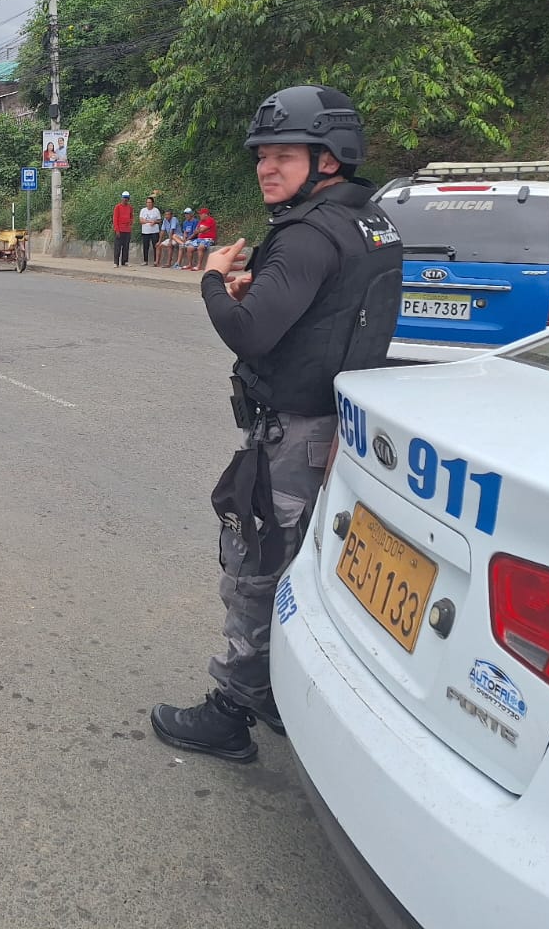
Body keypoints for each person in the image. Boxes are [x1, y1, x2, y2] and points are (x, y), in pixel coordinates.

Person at [150, 85, 403, 764]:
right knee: (303, 567)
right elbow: (325, 311)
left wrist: (210, 278)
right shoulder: (371, 224)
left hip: (293, 435)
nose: (266, 168)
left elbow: (252, 332)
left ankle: (233, 710)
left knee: (255, 570)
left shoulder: (306, 234)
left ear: (330, 159)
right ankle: (281, 690)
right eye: (262, 156)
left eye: (284, 156)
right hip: (339, 428)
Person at [111, 191, 133, 267]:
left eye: (127, 198)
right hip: (119, 230)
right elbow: (115, 219)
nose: (125, 199)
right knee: (117, 247)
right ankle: (116, 262)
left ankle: (124, 261)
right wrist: (117, 230)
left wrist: (130, 223)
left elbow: (131, 217)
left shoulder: (130, 207)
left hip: (127, 230)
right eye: (124, 198)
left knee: (126, 246)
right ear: (122, 198)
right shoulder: (117, 207)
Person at [138, 195, 162, 265]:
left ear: (153, 203)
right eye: (147, 202)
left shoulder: (156, 210)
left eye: (150, 202)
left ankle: (156, 261)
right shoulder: (143, 210)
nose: (148, 204)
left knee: (155, 246)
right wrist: (149, 221)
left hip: (154, 231)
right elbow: (141, 221)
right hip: (145, 231)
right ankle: (145, 261)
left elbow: (159, 220)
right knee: (145, 246)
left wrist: (154, 222)